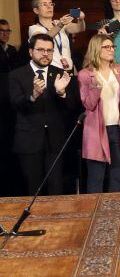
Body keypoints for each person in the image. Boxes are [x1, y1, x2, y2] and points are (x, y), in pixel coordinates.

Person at [8, 34, 78, 195]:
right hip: (29, 140)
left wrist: (62, 93)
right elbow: (15, 104)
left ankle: (56, 220)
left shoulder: (61, 73)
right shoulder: (17, 75)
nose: (46, 54)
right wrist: (32, 96)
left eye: (49, 50)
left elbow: (72, 106)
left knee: (56, 187)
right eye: (41, 50)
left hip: (55, 139)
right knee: (32, 188)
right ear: (31, 52)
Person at [78, 34, 120, 193]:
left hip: (116, 128)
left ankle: (115, 215)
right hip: (96, 130)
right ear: (96, 49)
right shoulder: (85, 74)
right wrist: (96, 87)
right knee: (96, 177)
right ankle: (95, 215)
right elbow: (89, 105)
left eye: (113, 47)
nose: (112, 50)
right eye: (107, 47)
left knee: (116, 174)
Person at [28, 0, 86, 72]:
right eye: (44, 4)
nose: (49, 7)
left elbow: (80, 28)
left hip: (68, 70)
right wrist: (60, 25)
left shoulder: (58, 22)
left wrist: (81, 19)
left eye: (51, 4)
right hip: (51, 71)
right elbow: (43, 39)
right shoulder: (34, 28)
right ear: (36, 10)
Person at [0, 19, 23, 196]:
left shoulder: (13, 51)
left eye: (8, 31)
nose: (5, 34)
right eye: (1, 31)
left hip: (12, 99)